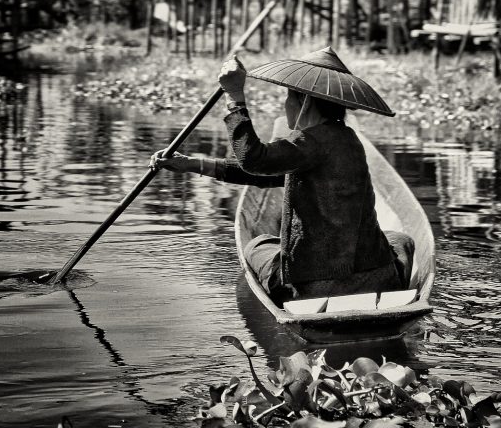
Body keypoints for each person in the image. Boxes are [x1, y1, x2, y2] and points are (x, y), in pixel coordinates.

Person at [150, 47, 413, 301]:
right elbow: (267, 174)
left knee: (258, 245)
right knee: (401, 241)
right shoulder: (349, 139)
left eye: (288, 97)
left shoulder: (309, 141)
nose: (285, 104)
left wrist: (234, 97)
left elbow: (253, 159)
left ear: (305, 102)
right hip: (378, 280)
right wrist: (192, 164)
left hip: (315, 285)